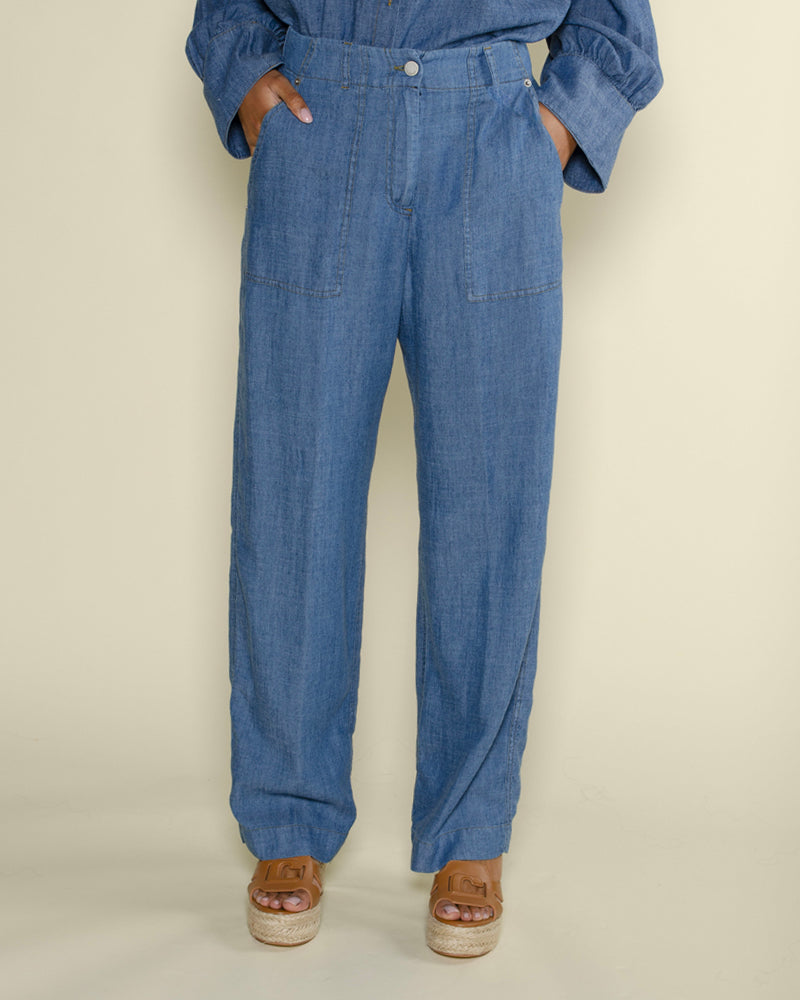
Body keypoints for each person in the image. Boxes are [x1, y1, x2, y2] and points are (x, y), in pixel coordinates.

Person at [185, 0, 662, 958]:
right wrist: (247, 84)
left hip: (491, 136)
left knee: (491, 502)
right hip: (320, 125)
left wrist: (547, 130)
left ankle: (471, 828)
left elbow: (619, 25)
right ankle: (287, 816)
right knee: (293, 493)